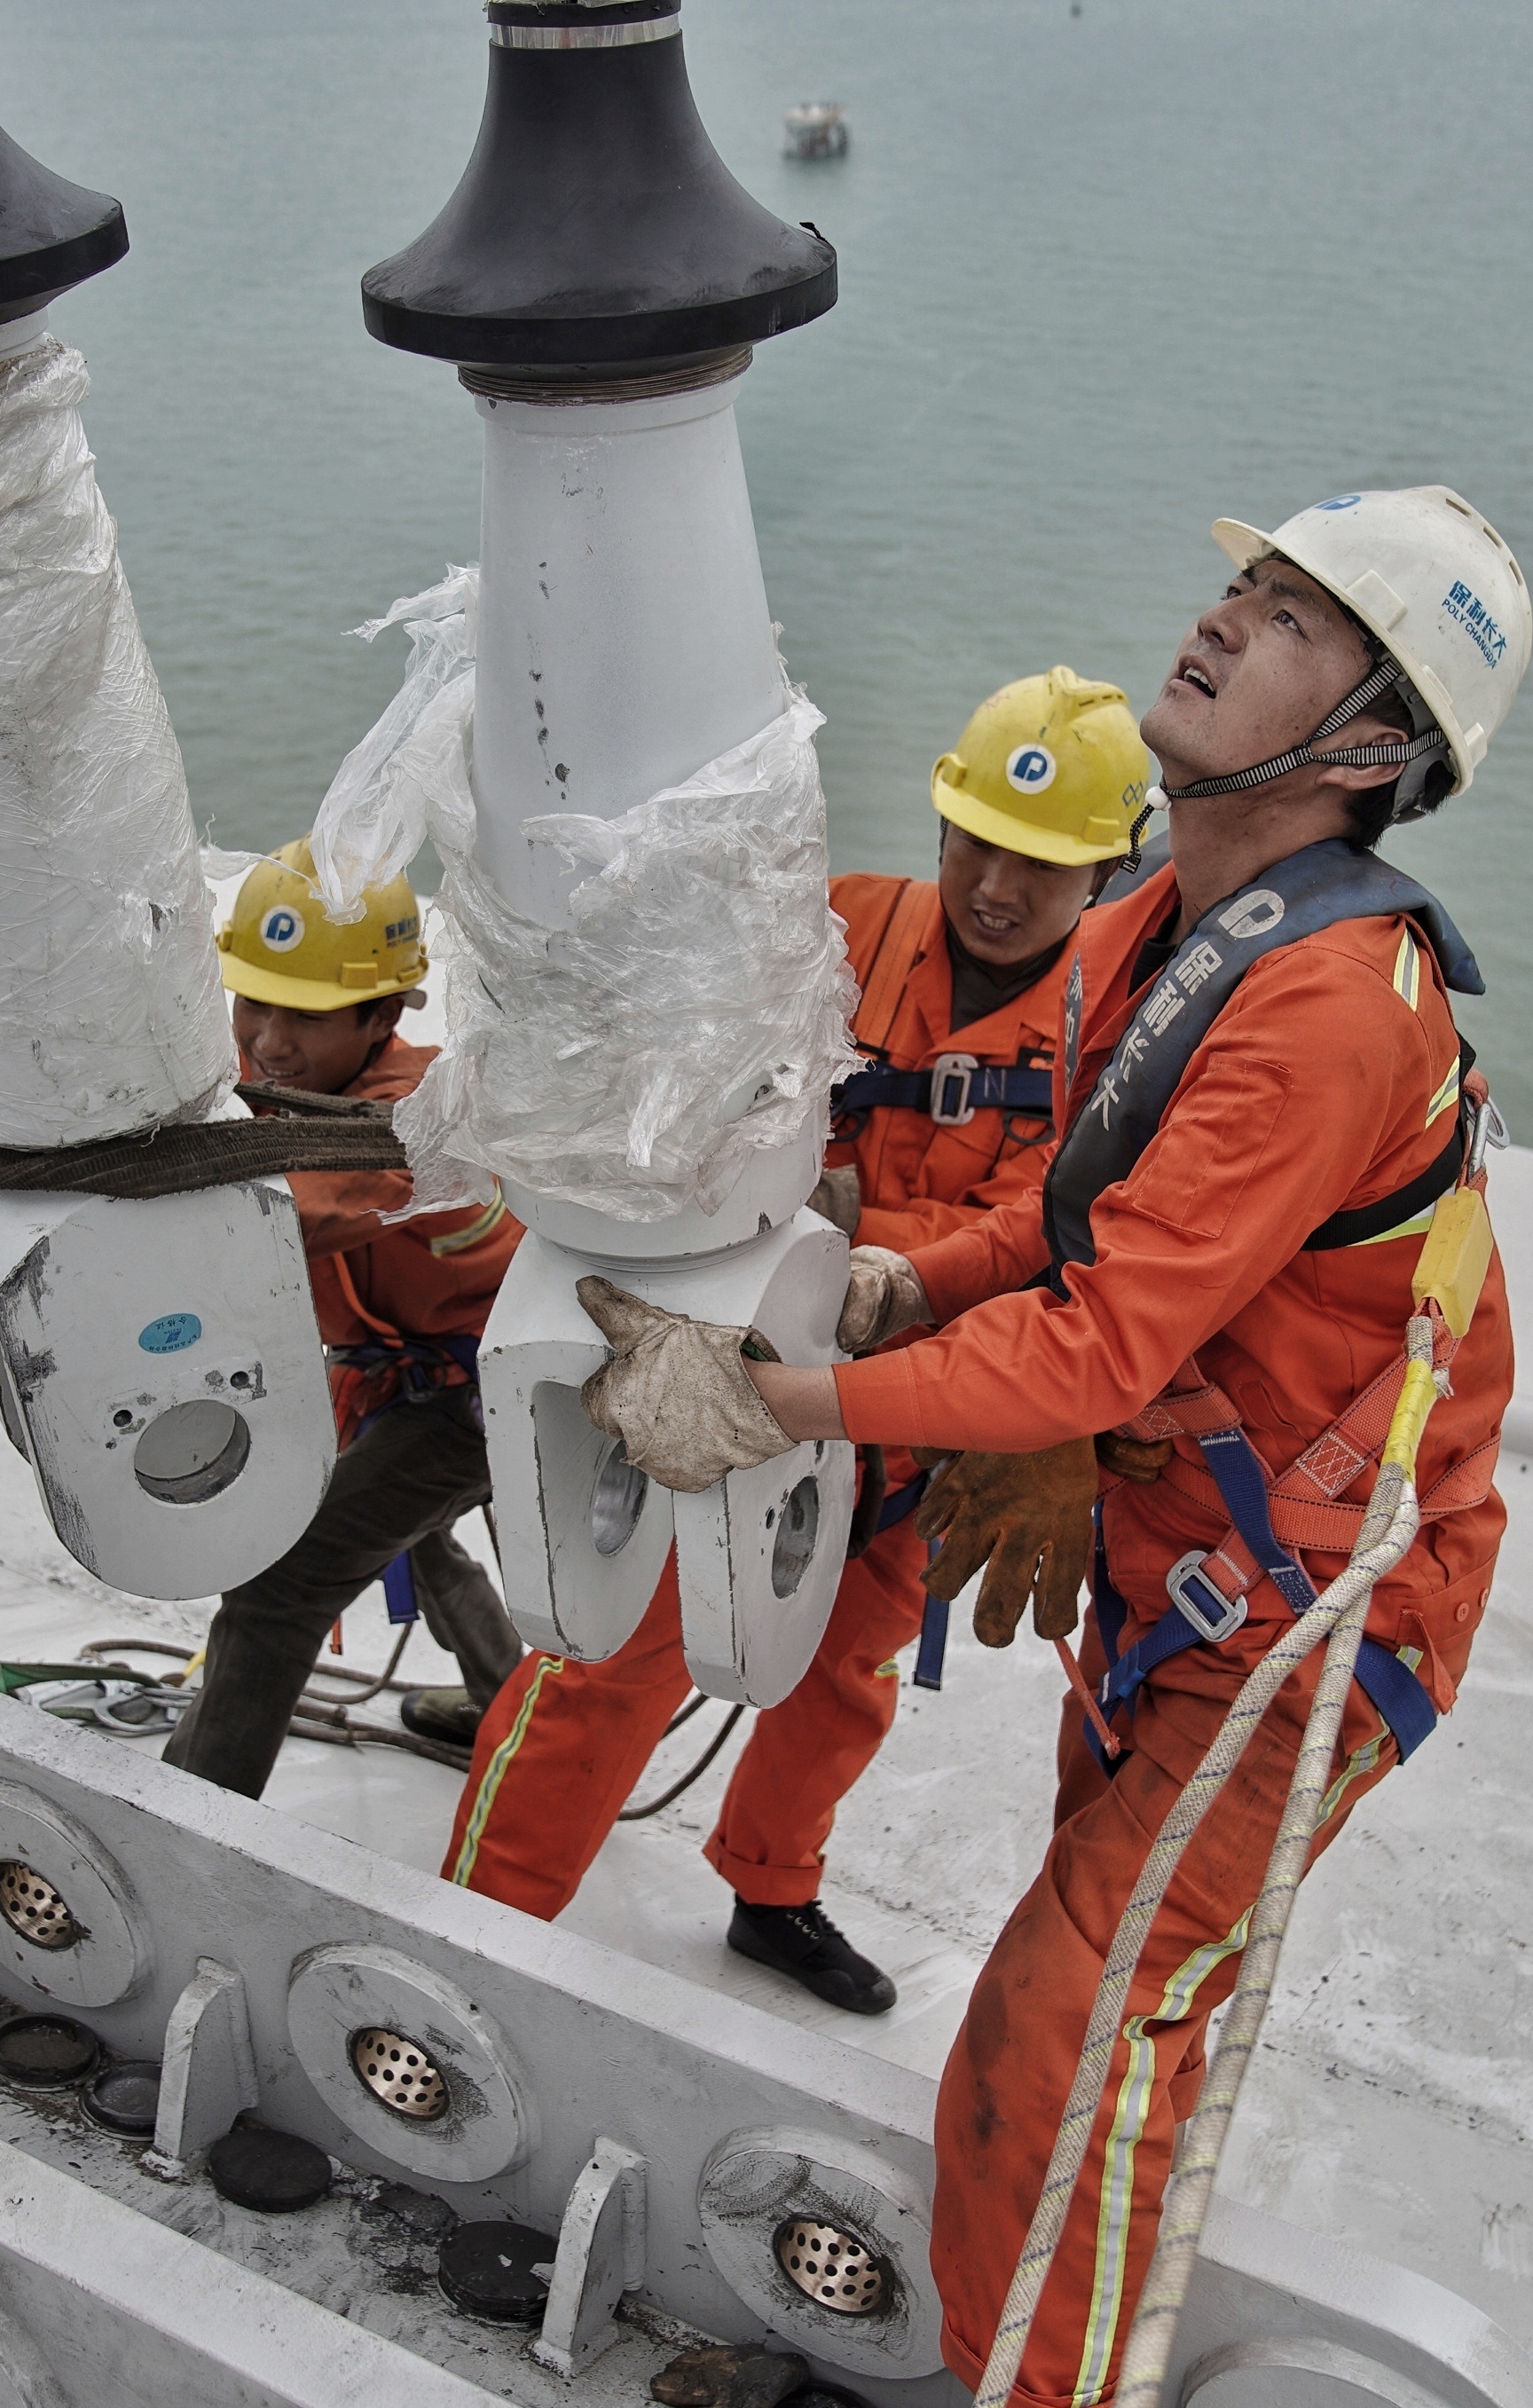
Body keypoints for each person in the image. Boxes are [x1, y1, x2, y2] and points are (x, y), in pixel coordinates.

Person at [576, 489, 1530, 2408]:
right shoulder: (1158, 930)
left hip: (1315, 1615)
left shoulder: (1321, 1012)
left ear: (1370, 743)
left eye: (1292, 619)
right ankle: (1037, 2400)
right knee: (1100, 2017)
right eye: (1242, 585)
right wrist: (907, 1283)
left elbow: (1100, 1343)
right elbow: (1081, 1210)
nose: (1223, 619)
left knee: (1070, 2024)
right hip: (1189, 1578)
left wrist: (776, 1397)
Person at [440, 669, 1153, 2014]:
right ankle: (471, 1938)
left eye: (1045, 865)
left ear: (1111, 871)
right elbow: (693, 1101)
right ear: (941, 821)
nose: (999, 887)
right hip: (730, 1383)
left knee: (845, 1676)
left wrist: (868, 1229)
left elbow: (1075, 1235)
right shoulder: (838, 929)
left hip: (926, 1427)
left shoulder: (1127, 1031)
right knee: (610, 1662)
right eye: (979, 843)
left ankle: (772, 1887)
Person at [161, 839, 528, 1793]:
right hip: (407, 1374)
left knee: (278, 1588)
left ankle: (188, 1816)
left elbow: (275, 1211)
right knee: (408, 1526)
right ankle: (503, 1705)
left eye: (307, 1015)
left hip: (484, 1394)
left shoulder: (410, 1122)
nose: (269, 1039)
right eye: (253, 1002)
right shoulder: (294, 1090)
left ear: (383, 1015)